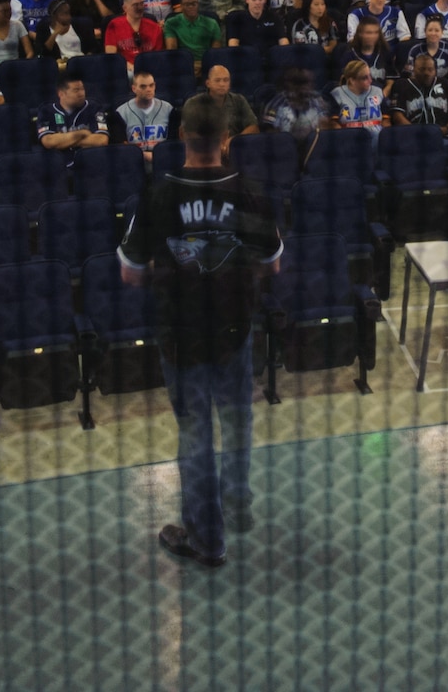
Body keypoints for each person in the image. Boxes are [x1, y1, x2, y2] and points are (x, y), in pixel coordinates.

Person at [118, 92, 282, 568]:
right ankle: (238, 503)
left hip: (181, 332)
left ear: (182, 135)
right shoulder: (249, 191)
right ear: (227, 139)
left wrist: (172, 269)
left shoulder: (159, 195)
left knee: (195, 434)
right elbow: (272, 265)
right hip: (234, 328)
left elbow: (130, 272)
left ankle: (208, 540)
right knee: (237, 420)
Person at [389, 52, 448, 133]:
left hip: (442, 134)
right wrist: (415, 133)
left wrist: (446, 129)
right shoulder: (402, 85)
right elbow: (397, 116)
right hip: (412, 135)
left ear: (435, 71)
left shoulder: (444, 84)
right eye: (422, 69)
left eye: (430, 69)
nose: (426, 73)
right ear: (414, 70)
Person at [186, 63, 259, 139]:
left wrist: (232, 141)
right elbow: (186, 133)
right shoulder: (194, 103)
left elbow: (254, 127)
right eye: (217, 80)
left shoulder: (239, 100)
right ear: (208, 83)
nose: (222, 84)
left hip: (235, 144)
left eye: (226, 80)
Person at [116, 70, 174, 154]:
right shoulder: (122, 112)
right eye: (143, 87)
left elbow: (173, 142)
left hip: (163, 157)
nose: (148, 89)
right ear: (134, 89)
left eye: (151, 85)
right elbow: (122, 145)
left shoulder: (168, 109)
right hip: (134, 158)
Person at [330, 60, 389, 136]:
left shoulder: (377, 92)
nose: (370, 80)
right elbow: (334, 124)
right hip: (349, 136)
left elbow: (386, 120)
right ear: (352, 81)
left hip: (376, 136)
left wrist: (385, 137)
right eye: (365, 78)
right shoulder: (337, 94)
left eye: (370, 76)